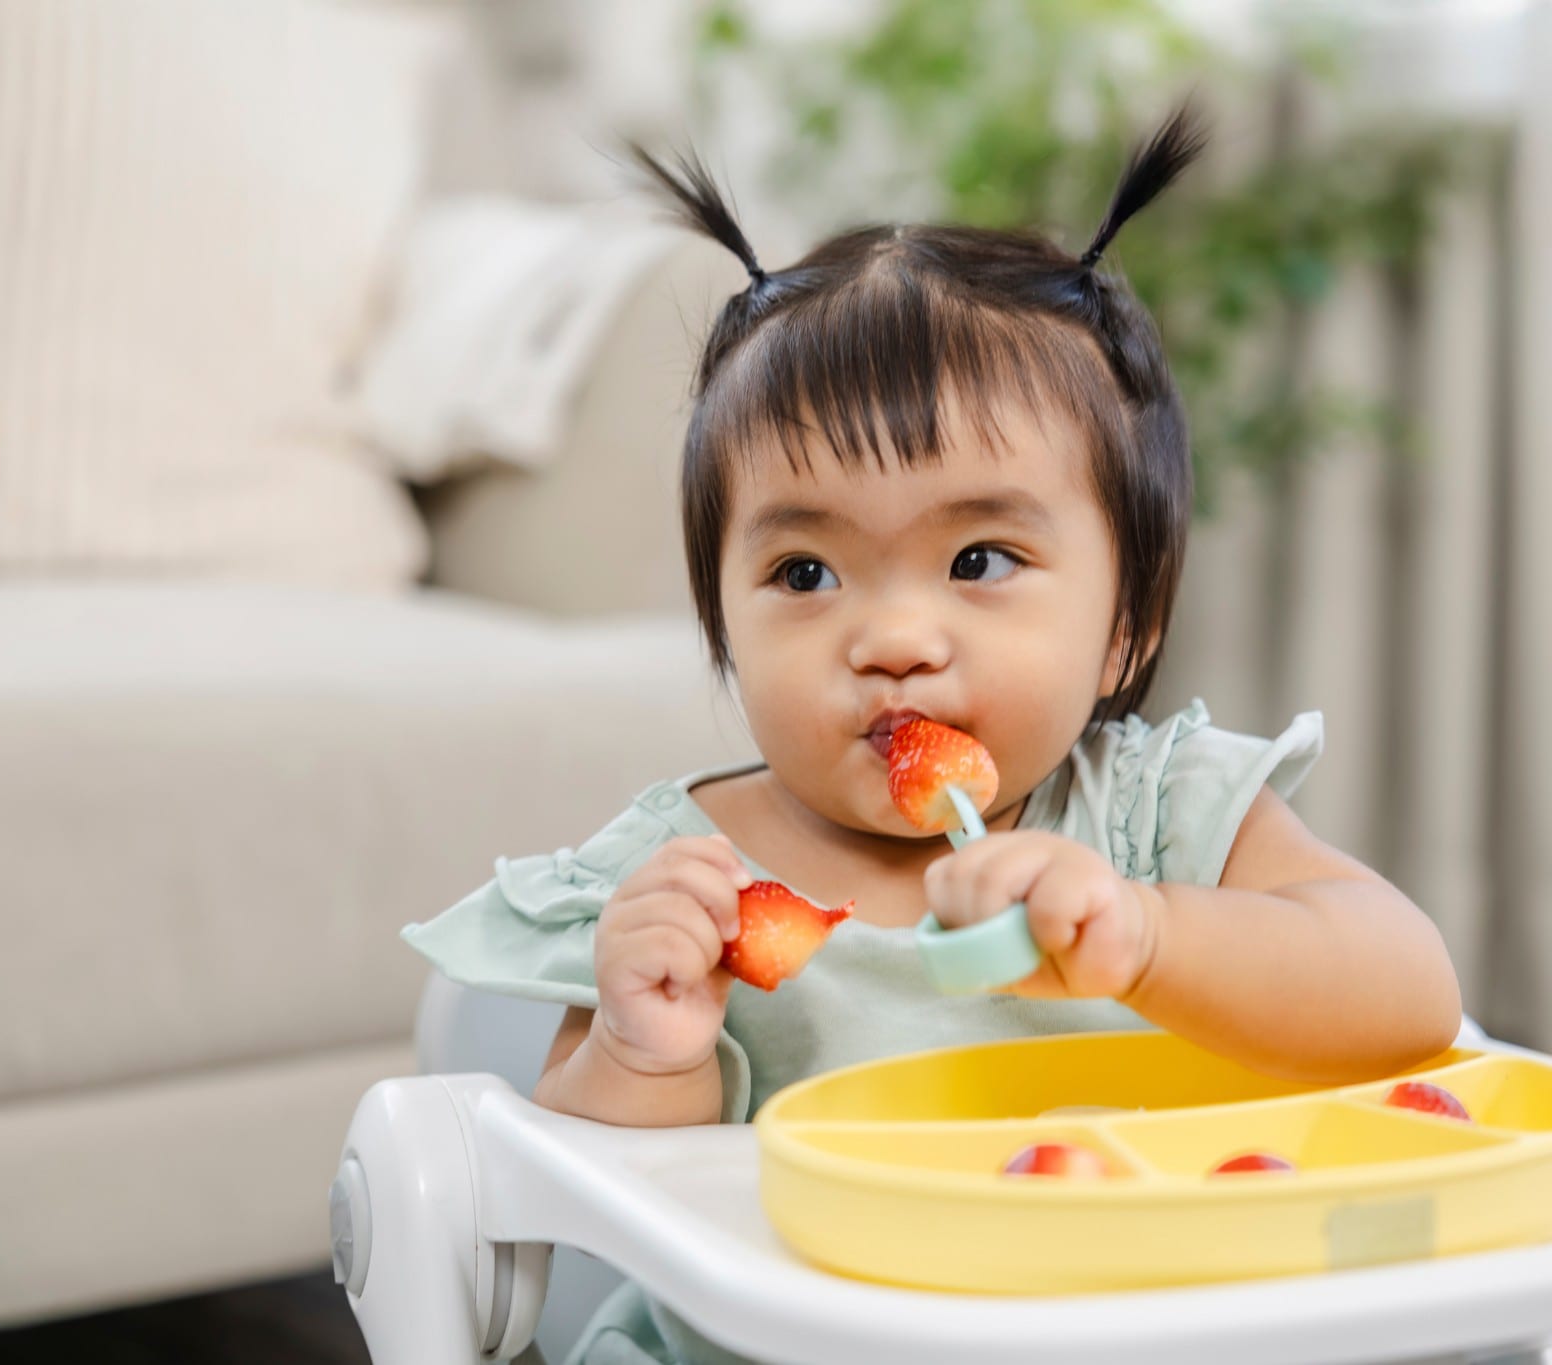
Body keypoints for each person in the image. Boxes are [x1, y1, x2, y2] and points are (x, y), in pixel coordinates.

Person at [402, 105, 1462, 1365]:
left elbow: (1407, 998)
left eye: (978, 559)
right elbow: (602, 1192)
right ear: (720, 624)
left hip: (1156, 1329)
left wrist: (1150, 938)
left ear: (1125, 627)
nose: (892, 637)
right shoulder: (696, 872)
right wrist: (647, 1050)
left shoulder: (1159, 818)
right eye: (802, 573)